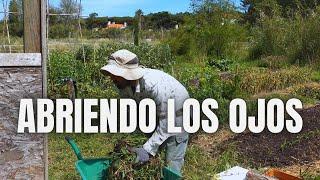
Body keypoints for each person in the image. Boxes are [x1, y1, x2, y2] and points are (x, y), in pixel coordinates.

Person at [101, 49, 189, 174]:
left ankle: (171, 175)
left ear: (126, 74)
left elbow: (167, 123)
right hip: (155, 110)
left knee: (171, 156)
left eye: (115, 75)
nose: (112, 78)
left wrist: (147, 149)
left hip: (177, 112)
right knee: (147, 146)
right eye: (111, 75)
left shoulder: (154, 85)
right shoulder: (123, 86)